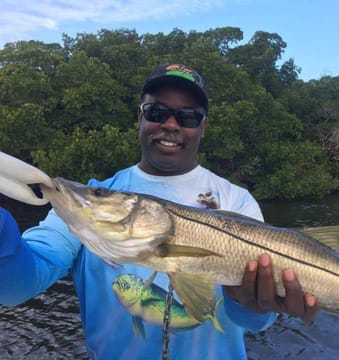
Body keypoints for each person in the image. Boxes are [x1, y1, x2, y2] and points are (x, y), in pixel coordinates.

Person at [0, 64, 319, 359]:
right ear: (139, 117)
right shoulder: (88, 204)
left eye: (187, 117)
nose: (170, 125)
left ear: (203, 126)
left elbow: (254, 323)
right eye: (157, 112)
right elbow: (16, 287)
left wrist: (253, 305)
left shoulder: (237, 201)